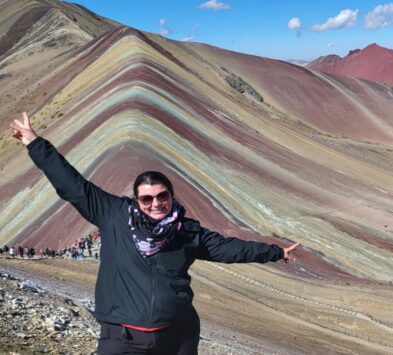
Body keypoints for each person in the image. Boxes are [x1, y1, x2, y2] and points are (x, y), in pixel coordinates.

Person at [11, 112, 301, 354]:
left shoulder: (186, 231)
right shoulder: (113, 214)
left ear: (171, 196)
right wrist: (34, 142)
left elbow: (228, 249)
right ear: (136, 199)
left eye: (162, 196)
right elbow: (72, 186)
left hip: (177, 335)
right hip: (121, 336)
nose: (155, 203)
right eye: (146, 198)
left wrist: (275, 252)